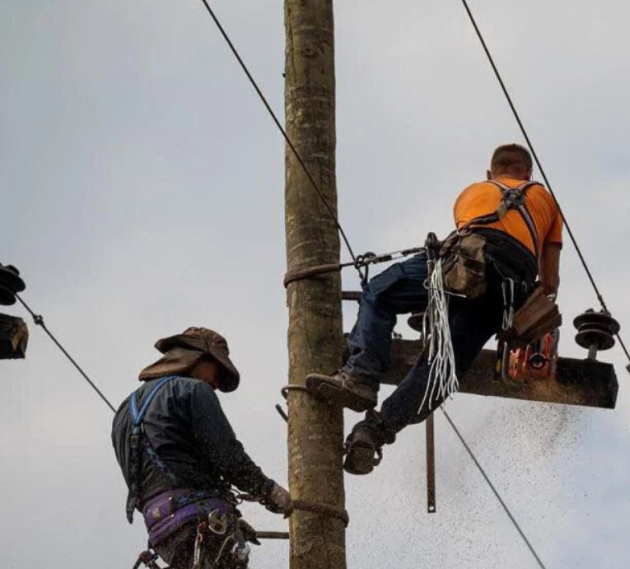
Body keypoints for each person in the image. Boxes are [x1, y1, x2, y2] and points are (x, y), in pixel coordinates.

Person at [306, 143, 563, 475]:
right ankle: (374, 430)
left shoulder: (473, 192)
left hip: (463, 261)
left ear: (490, 174)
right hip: (507, 289)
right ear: (529, 174)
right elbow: (551, 282)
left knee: (379, 293)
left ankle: (360, 376)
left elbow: (470, 245)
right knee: (441, 367)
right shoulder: (546, 201)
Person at [112, 327, 293, 569]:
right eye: (217, 370)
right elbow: (228, 456)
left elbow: (169, 465)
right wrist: (267, 490)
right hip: (200, 518)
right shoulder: (193, 390)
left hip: (162, 533)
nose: (216, 383)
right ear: (197, 356)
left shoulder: (123, 412)